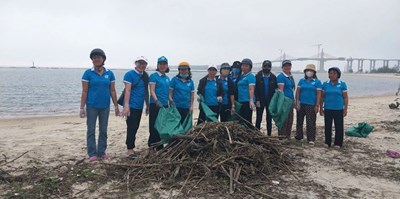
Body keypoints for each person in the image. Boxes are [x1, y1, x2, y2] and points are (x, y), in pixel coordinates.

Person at [80, 48, 119, 161]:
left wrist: (116, 106)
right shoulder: (88, 73)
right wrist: (82, 108)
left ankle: (101, 152)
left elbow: (112, 90)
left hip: (105, 106)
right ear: (92, 59)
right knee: (91, 129)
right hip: (92, 106)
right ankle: (92, 153)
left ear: (103, 59)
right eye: (94, 57)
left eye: (99, 57)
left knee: (103, 130)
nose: (96, 59)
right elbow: (84, 91)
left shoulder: (109, 73)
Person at [121, 56, 149, 159]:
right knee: (131, 127)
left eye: (144, 63)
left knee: (135, 127)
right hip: (131, 105)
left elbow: (146, 91)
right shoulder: (129, 74)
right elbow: (127, 90)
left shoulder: (145, 75)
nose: (142, 65)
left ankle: (131, 147)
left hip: (139, 106)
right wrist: (126, 106)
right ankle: (129, 150)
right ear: (135, 63)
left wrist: (147, 105)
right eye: (140, 63)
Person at [320, 67, 349, 148]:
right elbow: (322, 97)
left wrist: (345, 109)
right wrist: (320, 108)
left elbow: (345, 97)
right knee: (327, 126)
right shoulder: (325, 84)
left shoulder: (342, 84)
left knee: (339, 127)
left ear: (338, 75)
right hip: (327, 108)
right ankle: (327, 142)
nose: (332, 75)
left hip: (339, 109)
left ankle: (338, 143)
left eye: (334, 73)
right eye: (330, 73)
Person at [294, 64, 322, 145]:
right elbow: (298, 91)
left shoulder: (317, 82)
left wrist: (317, 105)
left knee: (311, 122)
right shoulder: (301, 81)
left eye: (311, 71)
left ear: (314, 72)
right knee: (299, 121)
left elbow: (319, 94)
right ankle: (299, 136)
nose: (309, 72)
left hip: (311, 104)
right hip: (301, 103)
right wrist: (297, 102)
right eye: (307, 71)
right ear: (305, 72)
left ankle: (311, 138)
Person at [148, 56, 170, 150]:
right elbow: (152, 90)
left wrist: (171, 101)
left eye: (164, 64)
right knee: (154, 125)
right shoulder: (154, 76)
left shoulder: (167, 78)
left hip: (164, 105)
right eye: (160, 64)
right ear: (158, 65)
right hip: (155, 104)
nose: (162, 66)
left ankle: (160, 145)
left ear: (167, 65)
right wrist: (156, 100)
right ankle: (153, 145)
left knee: (162, 126)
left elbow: (168, 92)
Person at [255, 60, 277, 135]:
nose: (266, 68)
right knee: (258, 118)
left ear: (270, 67)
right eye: (265, 66)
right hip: (260, 100)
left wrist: (275, 101)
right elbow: (255, 89)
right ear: (262, 67)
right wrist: (257, 100)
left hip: (270, 101)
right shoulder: (258, 76)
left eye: (268, 66)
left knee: (269, 119)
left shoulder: (273, 77)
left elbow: (276, 90)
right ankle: (256, 134)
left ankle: (269, 135)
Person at [276, 60, 295, 139]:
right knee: (283, 119)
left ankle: (288, 136)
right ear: (282, 67)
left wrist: (294, 100)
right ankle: (282, 137)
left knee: (290, 119)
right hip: (284, 101)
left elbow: (292, 89)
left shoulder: (290, 77)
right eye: (285, 66)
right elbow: (281, 90)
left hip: (290, 100)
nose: (287, 67)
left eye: (289, 65)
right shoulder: (281, 76)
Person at [237, 58, 256, 128]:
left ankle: (251, 133)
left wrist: (251, 100)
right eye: (242, 65)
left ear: (250, 67)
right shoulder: (242, 76)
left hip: (247, 101)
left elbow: (251, 88)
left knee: (247, 120)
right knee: (242, 119)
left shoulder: (250, 76)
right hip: (241, 100)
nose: (243, 67)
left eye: (246, 66)